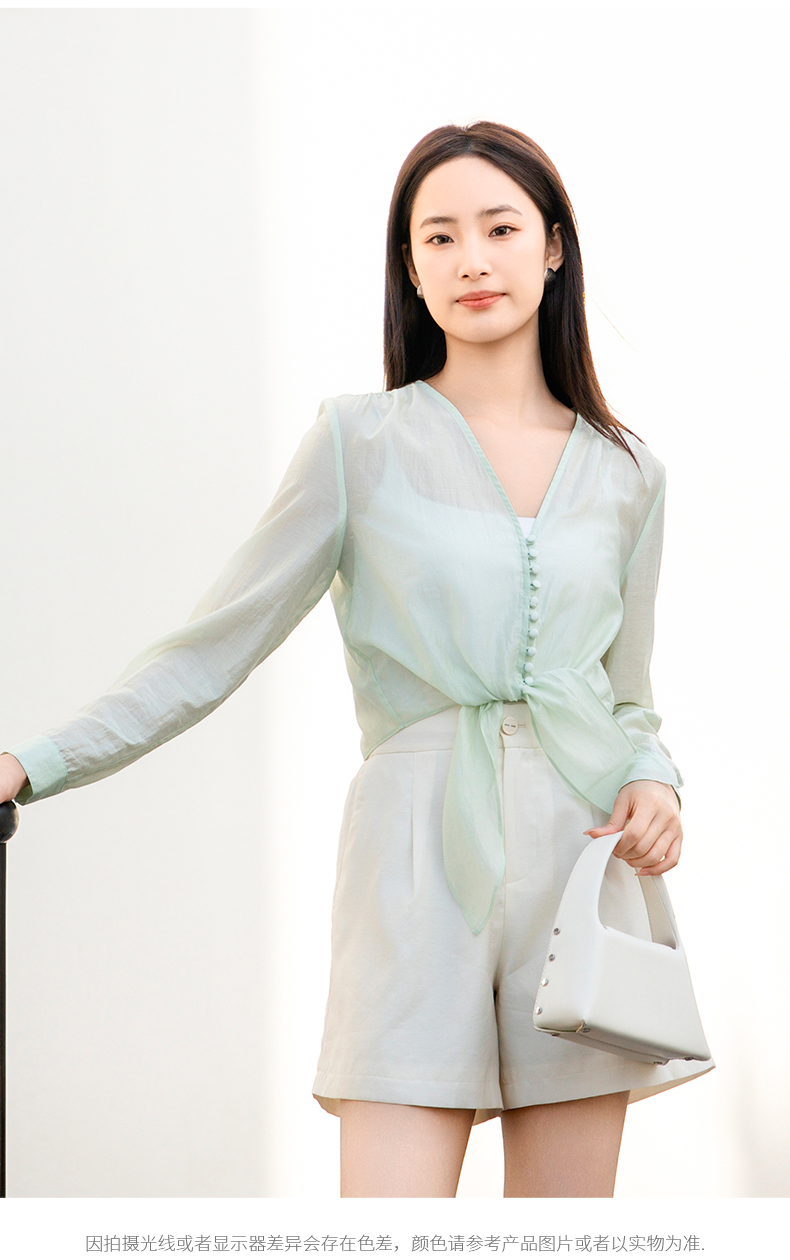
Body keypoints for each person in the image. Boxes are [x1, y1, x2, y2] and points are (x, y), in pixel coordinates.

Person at [0, 121, 713, 1198]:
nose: (471, 259)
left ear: (553, 246)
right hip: (415, 869)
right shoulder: (357, 442)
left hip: (582, 868)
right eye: (439, 237)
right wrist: (33, 763)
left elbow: (629, 700)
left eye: (500, 228)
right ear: (411, 270)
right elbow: (211, 649)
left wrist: (655, 781)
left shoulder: (630, 475)